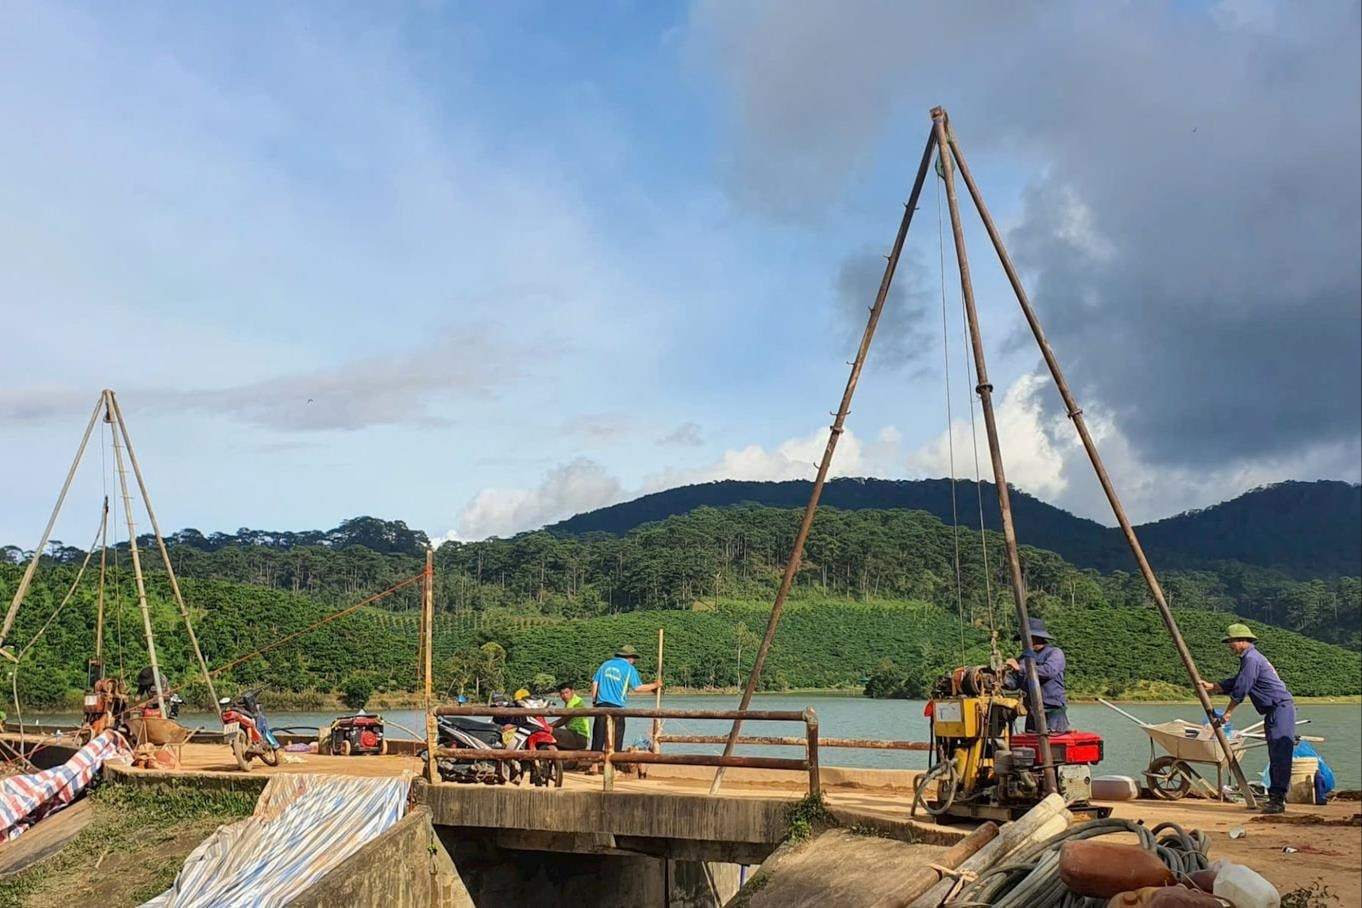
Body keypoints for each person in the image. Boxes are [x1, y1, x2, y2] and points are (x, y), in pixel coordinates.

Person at [1200, 623, 1296, 814]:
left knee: (1280, 754)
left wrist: (1228, 712)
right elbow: (1239, 680)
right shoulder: (1251, 659)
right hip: (1275, 710)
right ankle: (1276, 798)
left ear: (1243, 641)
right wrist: (1215, 686)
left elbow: (1242, 687)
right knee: (1276, 753)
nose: (1230, 646)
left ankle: (1277, 800)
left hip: (1280, 708)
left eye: (1232, 642)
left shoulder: (1251, 659)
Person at [589, 645, 661, 764]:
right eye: (634, 658)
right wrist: (655, 685)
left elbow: (595, 683)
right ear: (630, 658)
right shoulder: (629, 668)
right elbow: (637, 687)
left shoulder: (605, 665)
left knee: (598, 735)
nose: (634, 661)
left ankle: (594, 765)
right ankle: (615, 764)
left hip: (601, 705)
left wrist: (594, 701)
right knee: (617, 736)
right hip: (617, 706)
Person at [1003, 618, 1069, 733]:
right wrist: (1001, 678)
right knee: (1031, 747)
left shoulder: (1054, 653)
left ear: (1034, 638)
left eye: (1024, 638)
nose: (1022, 642)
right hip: (1032, 713)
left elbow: (1049, 671)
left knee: (1054, 747)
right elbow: (1015, 682)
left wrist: (1020, 668)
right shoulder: (1024, 658)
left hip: (1053, 713)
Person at [552, 682, 589, 751]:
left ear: (572, 691)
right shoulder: (569, 703)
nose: (564, 695)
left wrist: (547, 726)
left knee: (550, 731)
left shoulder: (575, 702)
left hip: (579, 735)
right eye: (562, 694)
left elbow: (563, 720)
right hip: (573, 735)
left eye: (567, 692)